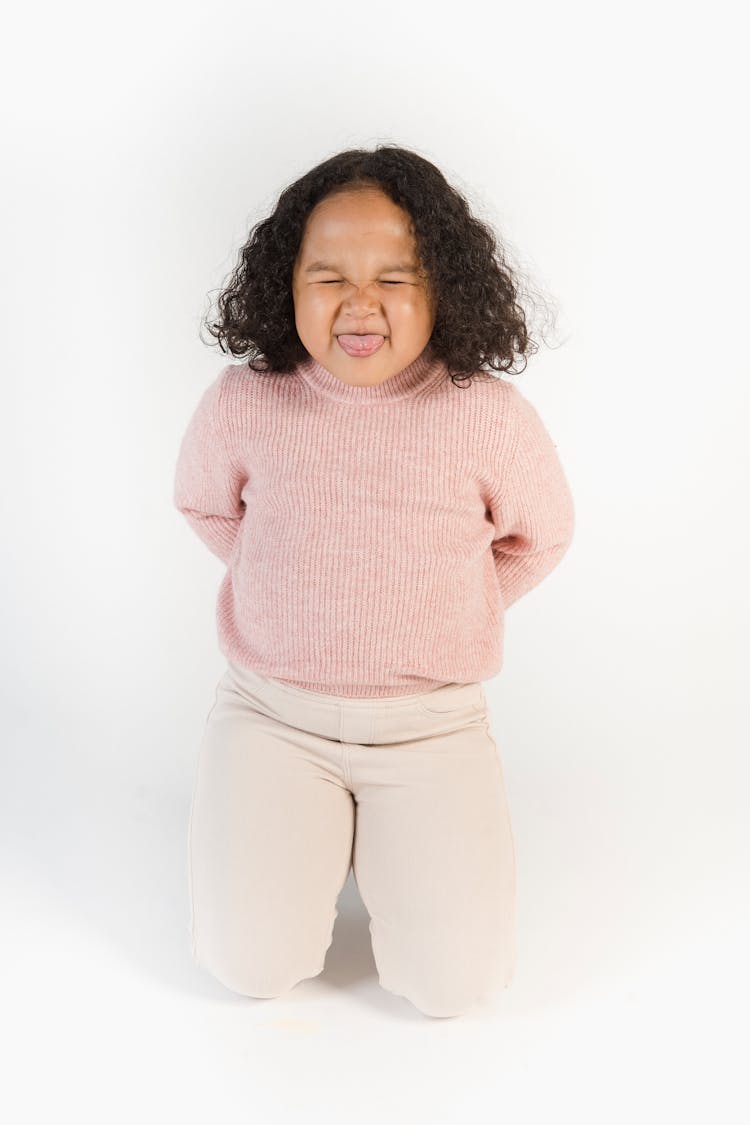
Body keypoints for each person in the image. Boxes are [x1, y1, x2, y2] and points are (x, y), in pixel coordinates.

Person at [173, 144, 575, 1018]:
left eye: (396, 277)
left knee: (453, 989)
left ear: (445, 288)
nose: (361, 304)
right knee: (249, 967)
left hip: (430, 728)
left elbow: (542, 537)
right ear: (288, 284)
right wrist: (289, 587)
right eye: (329, 277)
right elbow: (207, 509)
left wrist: (446, 602)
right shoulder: (248, 399)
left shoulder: (486, 414)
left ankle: (385, 839)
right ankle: (306, 828)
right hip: (274, 716)